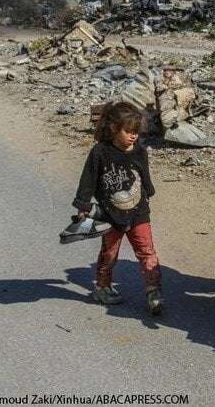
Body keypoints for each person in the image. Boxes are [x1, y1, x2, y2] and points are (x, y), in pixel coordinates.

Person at [72, 102, 163, 315]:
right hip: (110, 215)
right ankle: (102, 287)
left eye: (136, 131)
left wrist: (148, 193)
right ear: (114, 128)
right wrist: (83, 205)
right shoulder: (100, 152)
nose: (133, 136)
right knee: (109, 253)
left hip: (139, 212)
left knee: (147, 251)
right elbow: (88, 181)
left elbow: (145, 177)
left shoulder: (140, 151)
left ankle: (154, 291)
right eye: (128, 131)